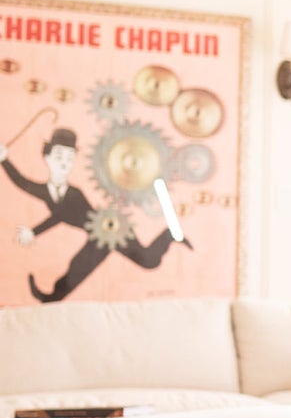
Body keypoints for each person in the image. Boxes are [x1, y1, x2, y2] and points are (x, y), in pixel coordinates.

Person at [0, 128, 183, 302]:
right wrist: (4, 160)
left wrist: (34, 232)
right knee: (77, 269)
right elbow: (22, 183)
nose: (64, 162)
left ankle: (169, 234)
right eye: (58, 157)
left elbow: (60, 215)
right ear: (46, 157)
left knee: (147, 260)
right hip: (97, 236)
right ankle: (51, 297)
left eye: (69, 158)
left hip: (109, 230)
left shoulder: (74, 193)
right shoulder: (46, 191)